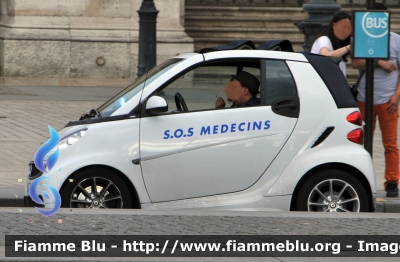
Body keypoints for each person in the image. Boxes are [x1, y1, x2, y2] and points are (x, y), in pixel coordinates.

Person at [351, 3, 400, 197]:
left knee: (390, 143)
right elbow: (355, 63)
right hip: (364, 98)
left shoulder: (396, 40)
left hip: (388, 100)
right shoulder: (360, 38)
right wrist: (380, 62)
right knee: (362, 142)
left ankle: (392, 181)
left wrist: (397, 95)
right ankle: (362, 177)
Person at [311, 11, 352, 77]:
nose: (346, 31)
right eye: (343, 27)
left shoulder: (338, 45)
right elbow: (325, 56)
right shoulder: (323, 39)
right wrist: (348, 47)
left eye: (349, 29)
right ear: (333, 25)